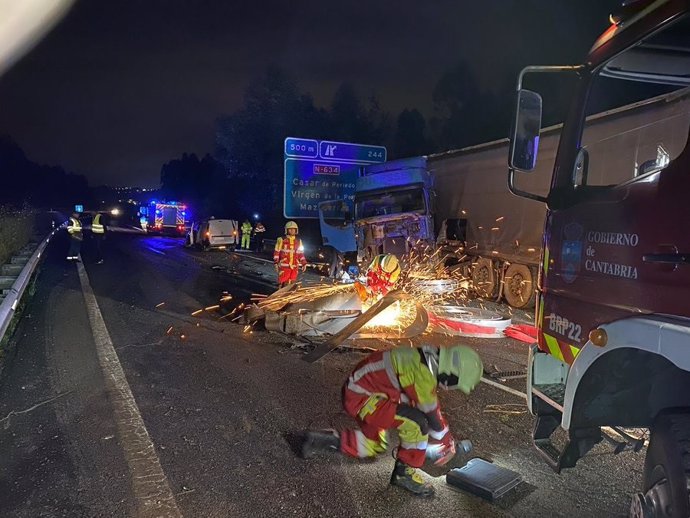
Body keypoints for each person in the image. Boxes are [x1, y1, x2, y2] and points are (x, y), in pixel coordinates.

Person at [301, 345, 483, 497]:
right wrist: (446, 441)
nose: (449, 387)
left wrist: (444, 437)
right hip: (364, 399)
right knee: (417, 423)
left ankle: (321, 440)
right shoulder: (421, 373)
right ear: (449, 372)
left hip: (365, 394)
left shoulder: (424, 359)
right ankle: (404, 473)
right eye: (453, 382)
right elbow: (430, 413)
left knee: (375, 446)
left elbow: (420, 400)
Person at [273, 221, 307, 288]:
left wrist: (304, 263)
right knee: (283, 284)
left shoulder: (299, 241)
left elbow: (301, 253)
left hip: (294, 267)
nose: (292, 231)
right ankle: (279, 297)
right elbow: (276, 252)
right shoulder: (281, 240)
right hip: (284, 267)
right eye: (290, 229)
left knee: (292, 284)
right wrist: (276, 263)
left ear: (296, 230)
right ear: (286, 230)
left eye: (294, 229)